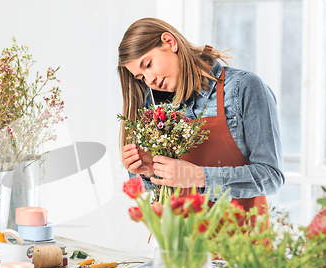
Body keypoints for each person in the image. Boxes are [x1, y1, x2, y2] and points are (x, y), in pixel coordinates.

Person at [118, 17, 284, 212]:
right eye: (141, 77)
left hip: (242, 238)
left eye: (148, 65)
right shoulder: (154, 106)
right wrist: (150, 171)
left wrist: (199, 177)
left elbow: (271, 177)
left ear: (170, 42)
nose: (149, 81)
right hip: (182, 239)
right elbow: (159, 194)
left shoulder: (244, 88)